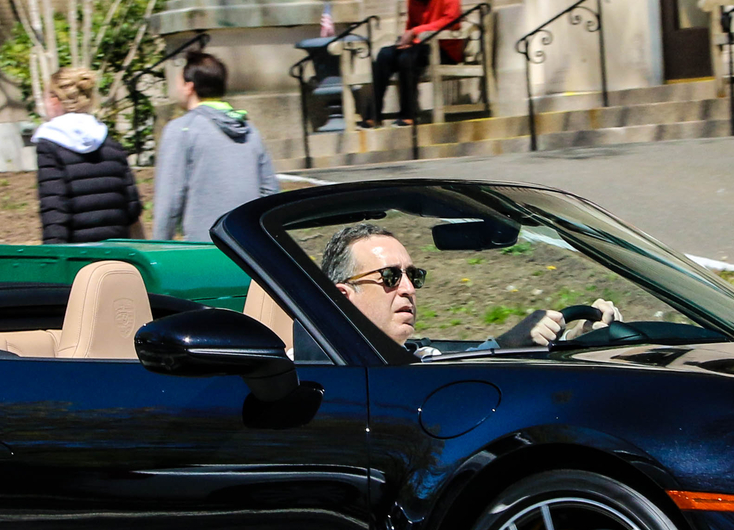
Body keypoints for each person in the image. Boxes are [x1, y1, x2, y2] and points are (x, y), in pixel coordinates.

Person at [319, 220, 621, 352]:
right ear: (344, 297)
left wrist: (574, 338)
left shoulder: (422, 357)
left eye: (414, 276)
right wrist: (504, 347)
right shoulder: (311, 376)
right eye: (390, 277)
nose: (409, 288)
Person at [152, 50, 278, 240]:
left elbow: (168, 203)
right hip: (251, 251)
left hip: (204, 250)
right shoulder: (249, 130)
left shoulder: (181, 130)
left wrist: (158, 250)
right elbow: (270, 192)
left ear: (189, 87)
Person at [32, 66, 141, 243]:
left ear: (54, 100)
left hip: (78, 257)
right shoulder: (112, 144)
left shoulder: (50, 145)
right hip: (118, 253)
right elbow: (132, 207)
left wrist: (53, 261)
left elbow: (54, 210)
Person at [361, 0, 461, 127]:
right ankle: (373, 115)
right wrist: (405, 39)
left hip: (444, 48)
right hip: (420, 47)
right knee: (385, 55)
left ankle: (408, 115)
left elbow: (453, 20)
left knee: (407, 58)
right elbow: (411, 27)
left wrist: (416, 31)